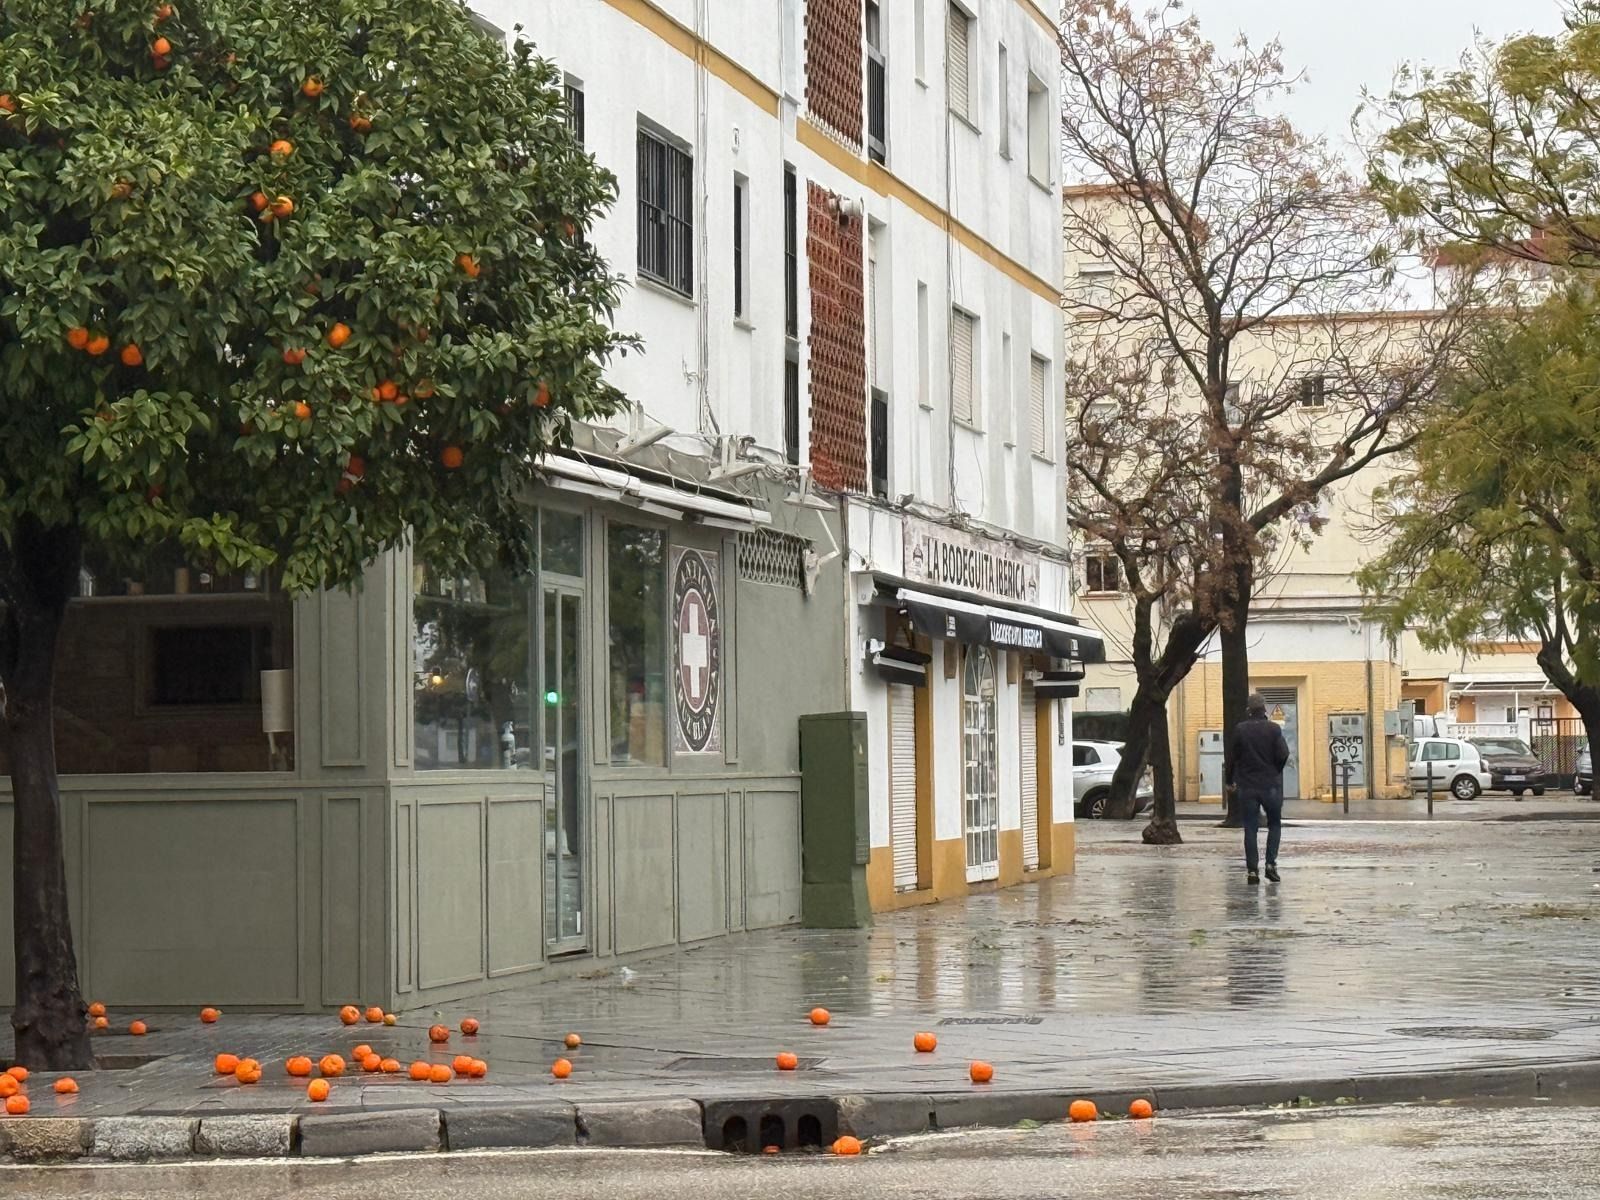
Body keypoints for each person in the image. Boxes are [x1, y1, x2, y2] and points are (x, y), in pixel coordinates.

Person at [1226, 692, 1290, 885]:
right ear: (1264, 710)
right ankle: (1271, 864)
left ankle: (1252, 870)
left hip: (1248, 786)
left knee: (1250, 828)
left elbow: (1232, 758)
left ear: (1248, 710)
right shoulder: (1273, 729)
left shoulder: (1240, 730)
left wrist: (1230, 780)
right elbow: (1283, 754)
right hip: (1270, 785)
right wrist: (1275, 771)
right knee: (1275, 825)